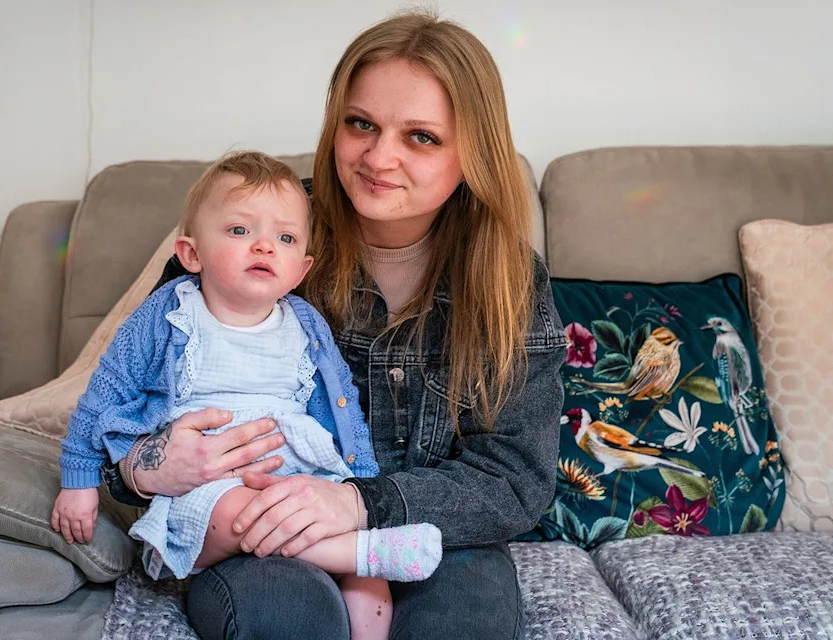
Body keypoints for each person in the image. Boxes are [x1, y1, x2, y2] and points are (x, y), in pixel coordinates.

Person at [105, 11, 567, 640]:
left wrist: (356, 502)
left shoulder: (510, 276)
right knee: (290, 616)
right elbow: (121, 414)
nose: (379, 157)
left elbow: (515, 478)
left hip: (434, 531)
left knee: (465, 620)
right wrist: (146, 465)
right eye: (361, 124)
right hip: (268, 524)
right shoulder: (260, 230)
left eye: (421, 137)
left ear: (473, 153)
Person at [51, 151, 442, 640]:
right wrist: (79, 479)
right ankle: (357, 552)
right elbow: (105, 393)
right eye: (239, 230)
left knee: (367, 581)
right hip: (210, 487)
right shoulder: (171, 314)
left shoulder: (305, 325)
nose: (264, 246)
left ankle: (364, 578)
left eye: (285, 238)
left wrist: (358, 483)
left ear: (301, 270)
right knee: (241, 515)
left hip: (301, 480)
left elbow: (342, 410)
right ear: (191, 254)